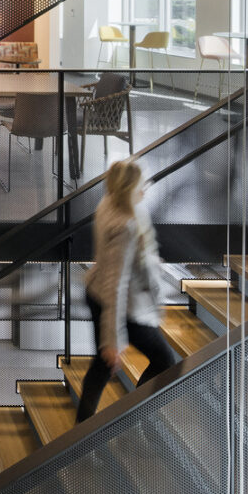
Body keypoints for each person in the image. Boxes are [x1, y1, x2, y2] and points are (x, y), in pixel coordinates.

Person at [77, 159, 180, 418]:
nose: (145, 189)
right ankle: (134, 418)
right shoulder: (125, 225)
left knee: (100, 366)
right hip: (123, 306)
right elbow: (116, 284)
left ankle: (82, 425)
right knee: (165, 361)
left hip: (96, 291)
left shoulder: (110, 202)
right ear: (128, 190)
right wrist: (113, 340)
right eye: (140, 185)